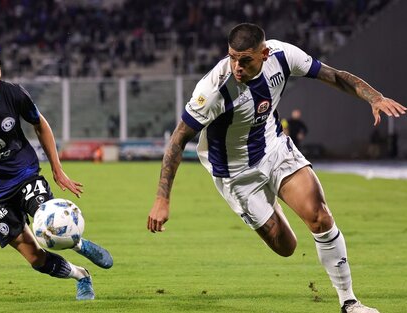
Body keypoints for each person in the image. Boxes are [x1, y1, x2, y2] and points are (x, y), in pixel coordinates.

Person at [147, 23, 406, 313]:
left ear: (264, 54)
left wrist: (374, 97)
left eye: (245, 60)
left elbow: (333, 76)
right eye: (232, 57)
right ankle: (272, 203)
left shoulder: (283, 56)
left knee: (319, 216)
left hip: (274, 148)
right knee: (286, 247)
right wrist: (162, 199)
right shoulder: (213, 89)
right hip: (236, 174)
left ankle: (349, 301)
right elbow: (178, 140)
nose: (237, 67)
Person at [0, 43, 113, 300]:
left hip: (23, 176)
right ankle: (81, 275)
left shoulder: (14, 94)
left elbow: (40, 124)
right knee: (35, 257)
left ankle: (77, 243)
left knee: (50, 222)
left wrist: (57, 168)